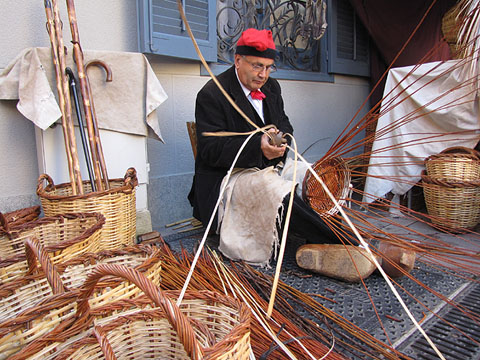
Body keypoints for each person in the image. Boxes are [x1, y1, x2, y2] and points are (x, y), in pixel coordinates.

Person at [188, 28, 408, 281]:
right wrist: (257, 145)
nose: (263, 74)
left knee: (318, 176)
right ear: (238, 61)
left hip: (270, 163)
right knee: (276, 190)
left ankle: (332, 242)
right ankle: (358, 246)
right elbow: (210, 150)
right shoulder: (211, 94)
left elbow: (286, 125)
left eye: (269, 67)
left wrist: (280, 138)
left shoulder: (271, 87)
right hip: (229, 177)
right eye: (257, 66)